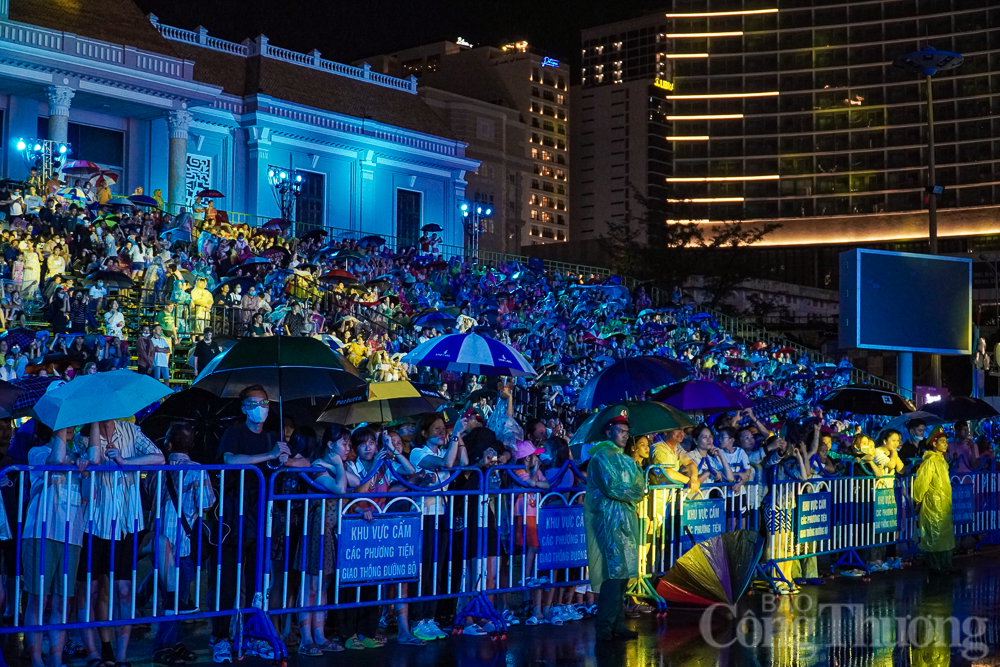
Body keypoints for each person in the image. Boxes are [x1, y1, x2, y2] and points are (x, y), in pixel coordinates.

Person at [213, 385, 309, 662]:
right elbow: (231, 460)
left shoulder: (273, 436)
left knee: (257, 583)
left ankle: (253, 635)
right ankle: (220, 637)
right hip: (234, 517)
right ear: (243, 408)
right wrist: (268, 456)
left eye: (264, 402)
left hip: (262, 518)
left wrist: (287, 458)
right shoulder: (234, 433)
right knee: (228, 583)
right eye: (254, 403)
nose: (260, 408)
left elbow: (298, 464)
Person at [74, 419, 165, 667]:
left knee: (123, 591)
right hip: (93, 523)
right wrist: (94, 427)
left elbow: (158, 457)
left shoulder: (131, 431)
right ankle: (97, 650)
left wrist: (126, 461)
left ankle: (122, 655)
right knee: (93, 590)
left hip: (126, 522)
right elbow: (88, 461)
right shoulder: (82, 435)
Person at [584, 414, 644, 642]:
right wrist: (631, 493)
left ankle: (618, 623)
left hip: (626, 520)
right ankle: (604, 627)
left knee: (624, 573)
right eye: (621, 431)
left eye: (627, 432)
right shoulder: (601, 458)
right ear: (608, 431)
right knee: (613, 573)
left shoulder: (627, 460)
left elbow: (640, 487)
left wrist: (631, 492)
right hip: (608, 520)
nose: (625, 435)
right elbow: (612, 488)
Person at [913, 431, 955, 575]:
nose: (945, 444)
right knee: (934, 537)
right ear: (934, 444)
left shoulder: (942, 461)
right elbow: (922, 483)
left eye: (946, 441)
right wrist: (918, 500)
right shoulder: (930, 462)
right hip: (932, 506)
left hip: (944, 505)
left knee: (944, 536)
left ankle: (945, 566)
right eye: (942, 441)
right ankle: (935, 566)